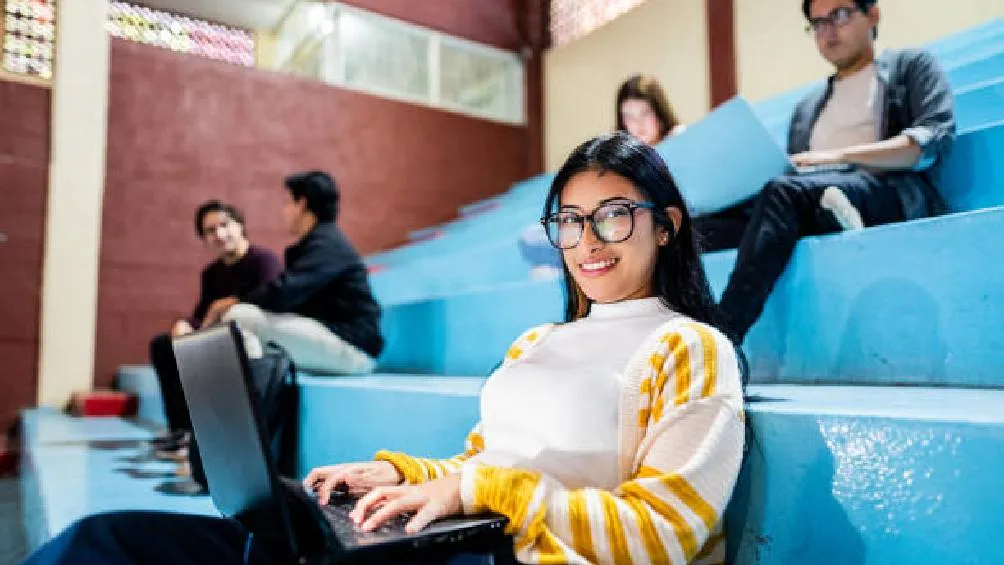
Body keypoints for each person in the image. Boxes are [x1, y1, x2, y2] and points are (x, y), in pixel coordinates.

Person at [20, 133, 745, 565]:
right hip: (453, 543)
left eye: (614, 216)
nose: (587, 240)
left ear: (667, 225)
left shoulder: (688, 348)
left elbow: (667, 533)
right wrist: (397, 475)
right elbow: (481, 465)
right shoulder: (539, 341)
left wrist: (483, 490)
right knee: (104, 542)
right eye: (570, 220)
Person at [701, 0, 956, 343]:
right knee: (696, 229)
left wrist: (836, 155)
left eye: (840, 15)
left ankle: (721, 341)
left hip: (885, 189)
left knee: (784, 194)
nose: (828, 31)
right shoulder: (807, 108)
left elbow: (928, 143)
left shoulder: (910, 67)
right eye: (818, 23)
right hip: (809, 196)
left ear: (873, 14)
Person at [200, 171, 385, 375]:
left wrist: (235, 301)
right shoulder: (315, 244)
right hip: (335, 339)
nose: (284, 211)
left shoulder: (328, 245)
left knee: (241, 317)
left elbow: (284, 293)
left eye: (288, 203)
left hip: (354, 348)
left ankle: (257, 397)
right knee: (242, 326)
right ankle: (256, 394)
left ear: (302, 205)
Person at [148, 201, 282, 456]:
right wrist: (185, 325)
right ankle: (182, 430)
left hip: (255, 340)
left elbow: (273, 298)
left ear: (240, 226)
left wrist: (228, 303)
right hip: (220, 336)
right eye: (210, 231)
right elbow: (203, 315)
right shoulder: (212, 273)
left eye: (224, 225)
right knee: (164, 345)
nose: (219, 234)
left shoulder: (263, 260)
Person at [519, 74, 687, 278]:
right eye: (629, 116)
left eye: (645, 113)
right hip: (609, 222)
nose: (638, 123)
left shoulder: (679, 142)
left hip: (640, 226)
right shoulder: (620, 158)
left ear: (660, 112)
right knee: (531, 239)